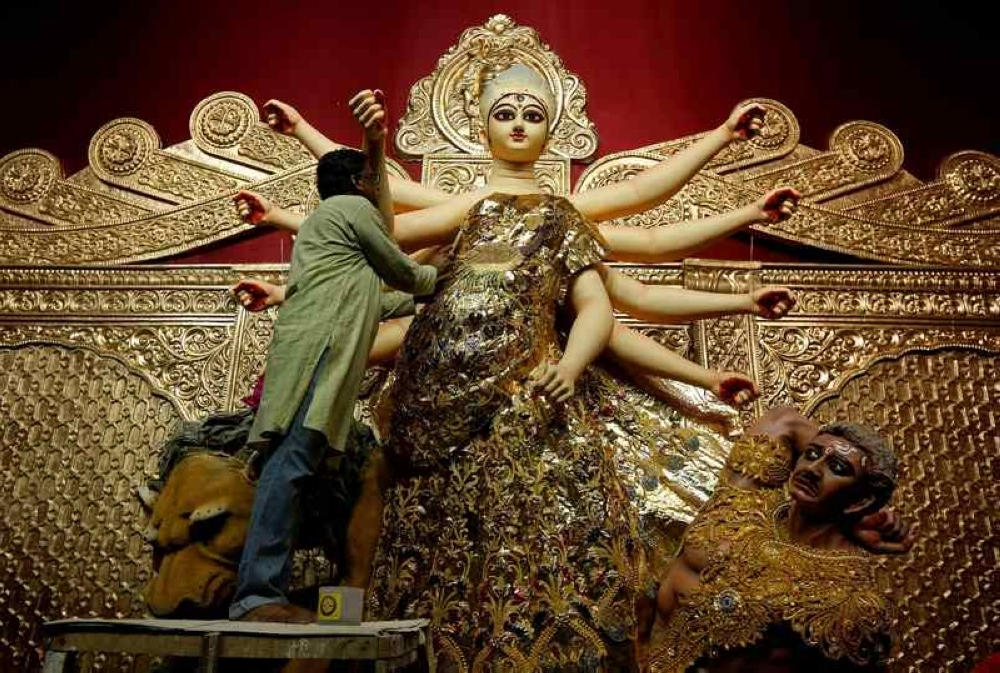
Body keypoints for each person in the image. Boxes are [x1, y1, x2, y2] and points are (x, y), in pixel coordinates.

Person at [228, 91, 439, 623]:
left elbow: (382, 295)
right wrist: (448, 277)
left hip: (320, 348)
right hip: (317, 356)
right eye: (375, 178)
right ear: (361, 183)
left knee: (301, 467)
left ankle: (277, 593)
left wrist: (425, 295)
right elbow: (401, 270)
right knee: (291, 464)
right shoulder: (349, 211)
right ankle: (256, 596)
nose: (379, 186)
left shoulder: (333, 233)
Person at [647, 406, 916, 672]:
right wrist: (857, 516)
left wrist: (852, 511)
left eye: (837, 468)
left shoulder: (847, 599)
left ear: (862, 499)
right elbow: (785, 420)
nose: (813, 469)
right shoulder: (744, 499)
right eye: (812, 454)